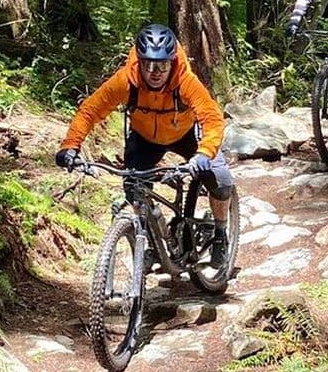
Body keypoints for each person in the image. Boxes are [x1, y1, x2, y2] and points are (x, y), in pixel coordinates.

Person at [55, 24, 234, 268]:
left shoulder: (185, 81)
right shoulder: (125, 81)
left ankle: (221, 234)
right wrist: (70, 146)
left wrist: (205, 152)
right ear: (139, 62)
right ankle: (149, 244)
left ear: (172, 62)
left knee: (221, 182)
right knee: (134, 190)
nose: (155, 72)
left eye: (161, 65)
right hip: (144, 138)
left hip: (186, 134)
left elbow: (212, 117)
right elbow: (90, 110)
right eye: (148, 65)